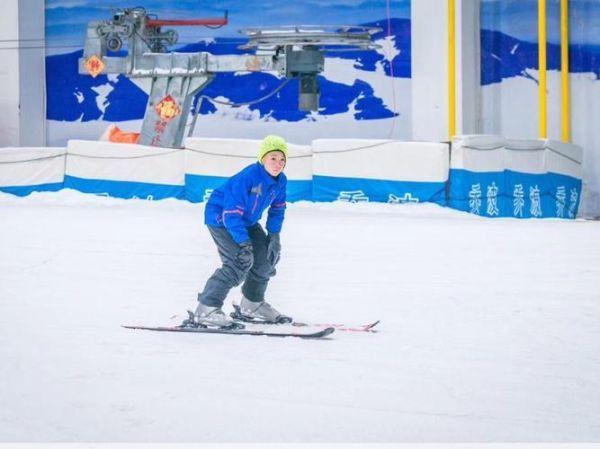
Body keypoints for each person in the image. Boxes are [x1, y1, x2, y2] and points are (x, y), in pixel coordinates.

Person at [193, 135, 292, 328]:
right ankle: (206, 308)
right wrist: (244, 243)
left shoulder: (281, 181)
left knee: (265, 259)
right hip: (222, 218)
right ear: (262, 158)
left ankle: (252, 304)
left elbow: (278, 209)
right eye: (273, 158)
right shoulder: (248, 177)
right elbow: (230, 213)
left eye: (282, 159)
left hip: (246, 221)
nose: (278, 163)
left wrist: (274, 236)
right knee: (239, 261)